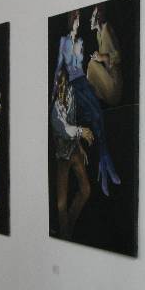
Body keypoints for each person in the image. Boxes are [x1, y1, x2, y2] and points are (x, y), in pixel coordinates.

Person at [54, 10, 120, 196]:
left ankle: (105, 165)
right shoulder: (64, 42)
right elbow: (59, 68)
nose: (78, 22)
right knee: (95, 116)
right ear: (72, 20)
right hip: (73, 85)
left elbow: (81, 66)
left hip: (83, 81)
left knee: (99, 115)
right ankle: (105, 168)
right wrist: (55, 94)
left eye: (79, 19)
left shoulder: (80, 41)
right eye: (76, 19)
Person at [50, 68, 94, 239]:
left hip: (74, 151)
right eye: (59, 84)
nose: (62, 89)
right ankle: (65, 234)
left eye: (64, 84)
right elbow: (64, 129)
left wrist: (80, 147)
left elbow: (73, 120)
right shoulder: (54, 109)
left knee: (86, 190)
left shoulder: (71, 95)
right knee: (61, 205)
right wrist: (81, 131)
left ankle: (68, 226)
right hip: (62, 157)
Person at [88, 3, 123, 106]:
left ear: (98, 16)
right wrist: (98, 56)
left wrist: (102, 57)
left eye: (93, 16)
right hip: (108, 77)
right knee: (92, 63)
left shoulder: (106, 29)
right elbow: (105, 55)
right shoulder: (98, 34)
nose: (90, 19)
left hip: (114, 85)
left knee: (92, 65)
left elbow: (118, 57)